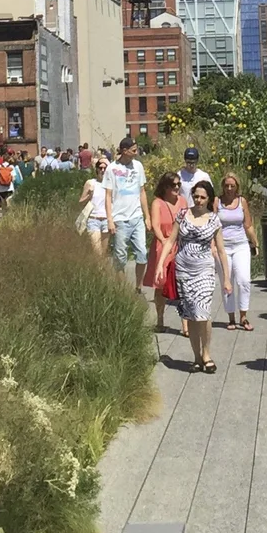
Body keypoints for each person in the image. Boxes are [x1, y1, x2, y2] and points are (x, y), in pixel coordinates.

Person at [154, 178, 232, 372]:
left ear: (209, 199)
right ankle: (197, 357)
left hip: (204, 270)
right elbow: (171, 241)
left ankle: (206, 354)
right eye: (196, 196)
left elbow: (221, 251)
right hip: (184, 270)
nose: (198, 200)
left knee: (203, 313)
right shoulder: (183, 215)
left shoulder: (214, 220)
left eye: (202, 197)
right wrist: (160, 264)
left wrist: (226, 278)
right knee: (190, 314)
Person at [104, 134, 152, 287]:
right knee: (120, 257)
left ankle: (138, 287)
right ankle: (123, 289)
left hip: (136, 217)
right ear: (125, 151)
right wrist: (110, 220)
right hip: (120, 219)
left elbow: (142, 191)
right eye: (133, 150)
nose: (136, 153)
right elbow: (108, 195)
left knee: (142, 254)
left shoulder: (138, 166)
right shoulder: (112, 169)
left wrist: (147, 216)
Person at [216, 172, 257, 330]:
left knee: (244, 280)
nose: (229, 189)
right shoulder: (217, 201)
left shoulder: (242, 201)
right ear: (223, 186)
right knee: (227, 281)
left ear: (237, 187)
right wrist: (213, 246)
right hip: (223, 247)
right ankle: (231, 317)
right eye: (226, 185)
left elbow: (248, 224)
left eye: (232, 186)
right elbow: (211, 223)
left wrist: (255, 242)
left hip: (241, 244)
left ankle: (243, 316)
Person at [148, 172, 183, 332]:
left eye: (178, 184)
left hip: (181, 245)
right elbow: (155, 226)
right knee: (161, 284)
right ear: (165, 186)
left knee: (182, 284)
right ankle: (160, 319)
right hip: (163, 244)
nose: (176, 187)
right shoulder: (158, 203)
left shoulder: (183, 201)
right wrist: (164, 242)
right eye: (173, 185)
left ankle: (185, 323)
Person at [78, 155, 110, 255]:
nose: (102, 170)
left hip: (106, 220)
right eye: (100, 168)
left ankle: (101, 265)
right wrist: (89, 196)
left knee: (103, 252)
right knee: (97, 252)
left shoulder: (111, 185)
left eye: (105, 168)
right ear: (97, 169)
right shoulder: (91, 183)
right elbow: (81, 202)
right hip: (93, 219)